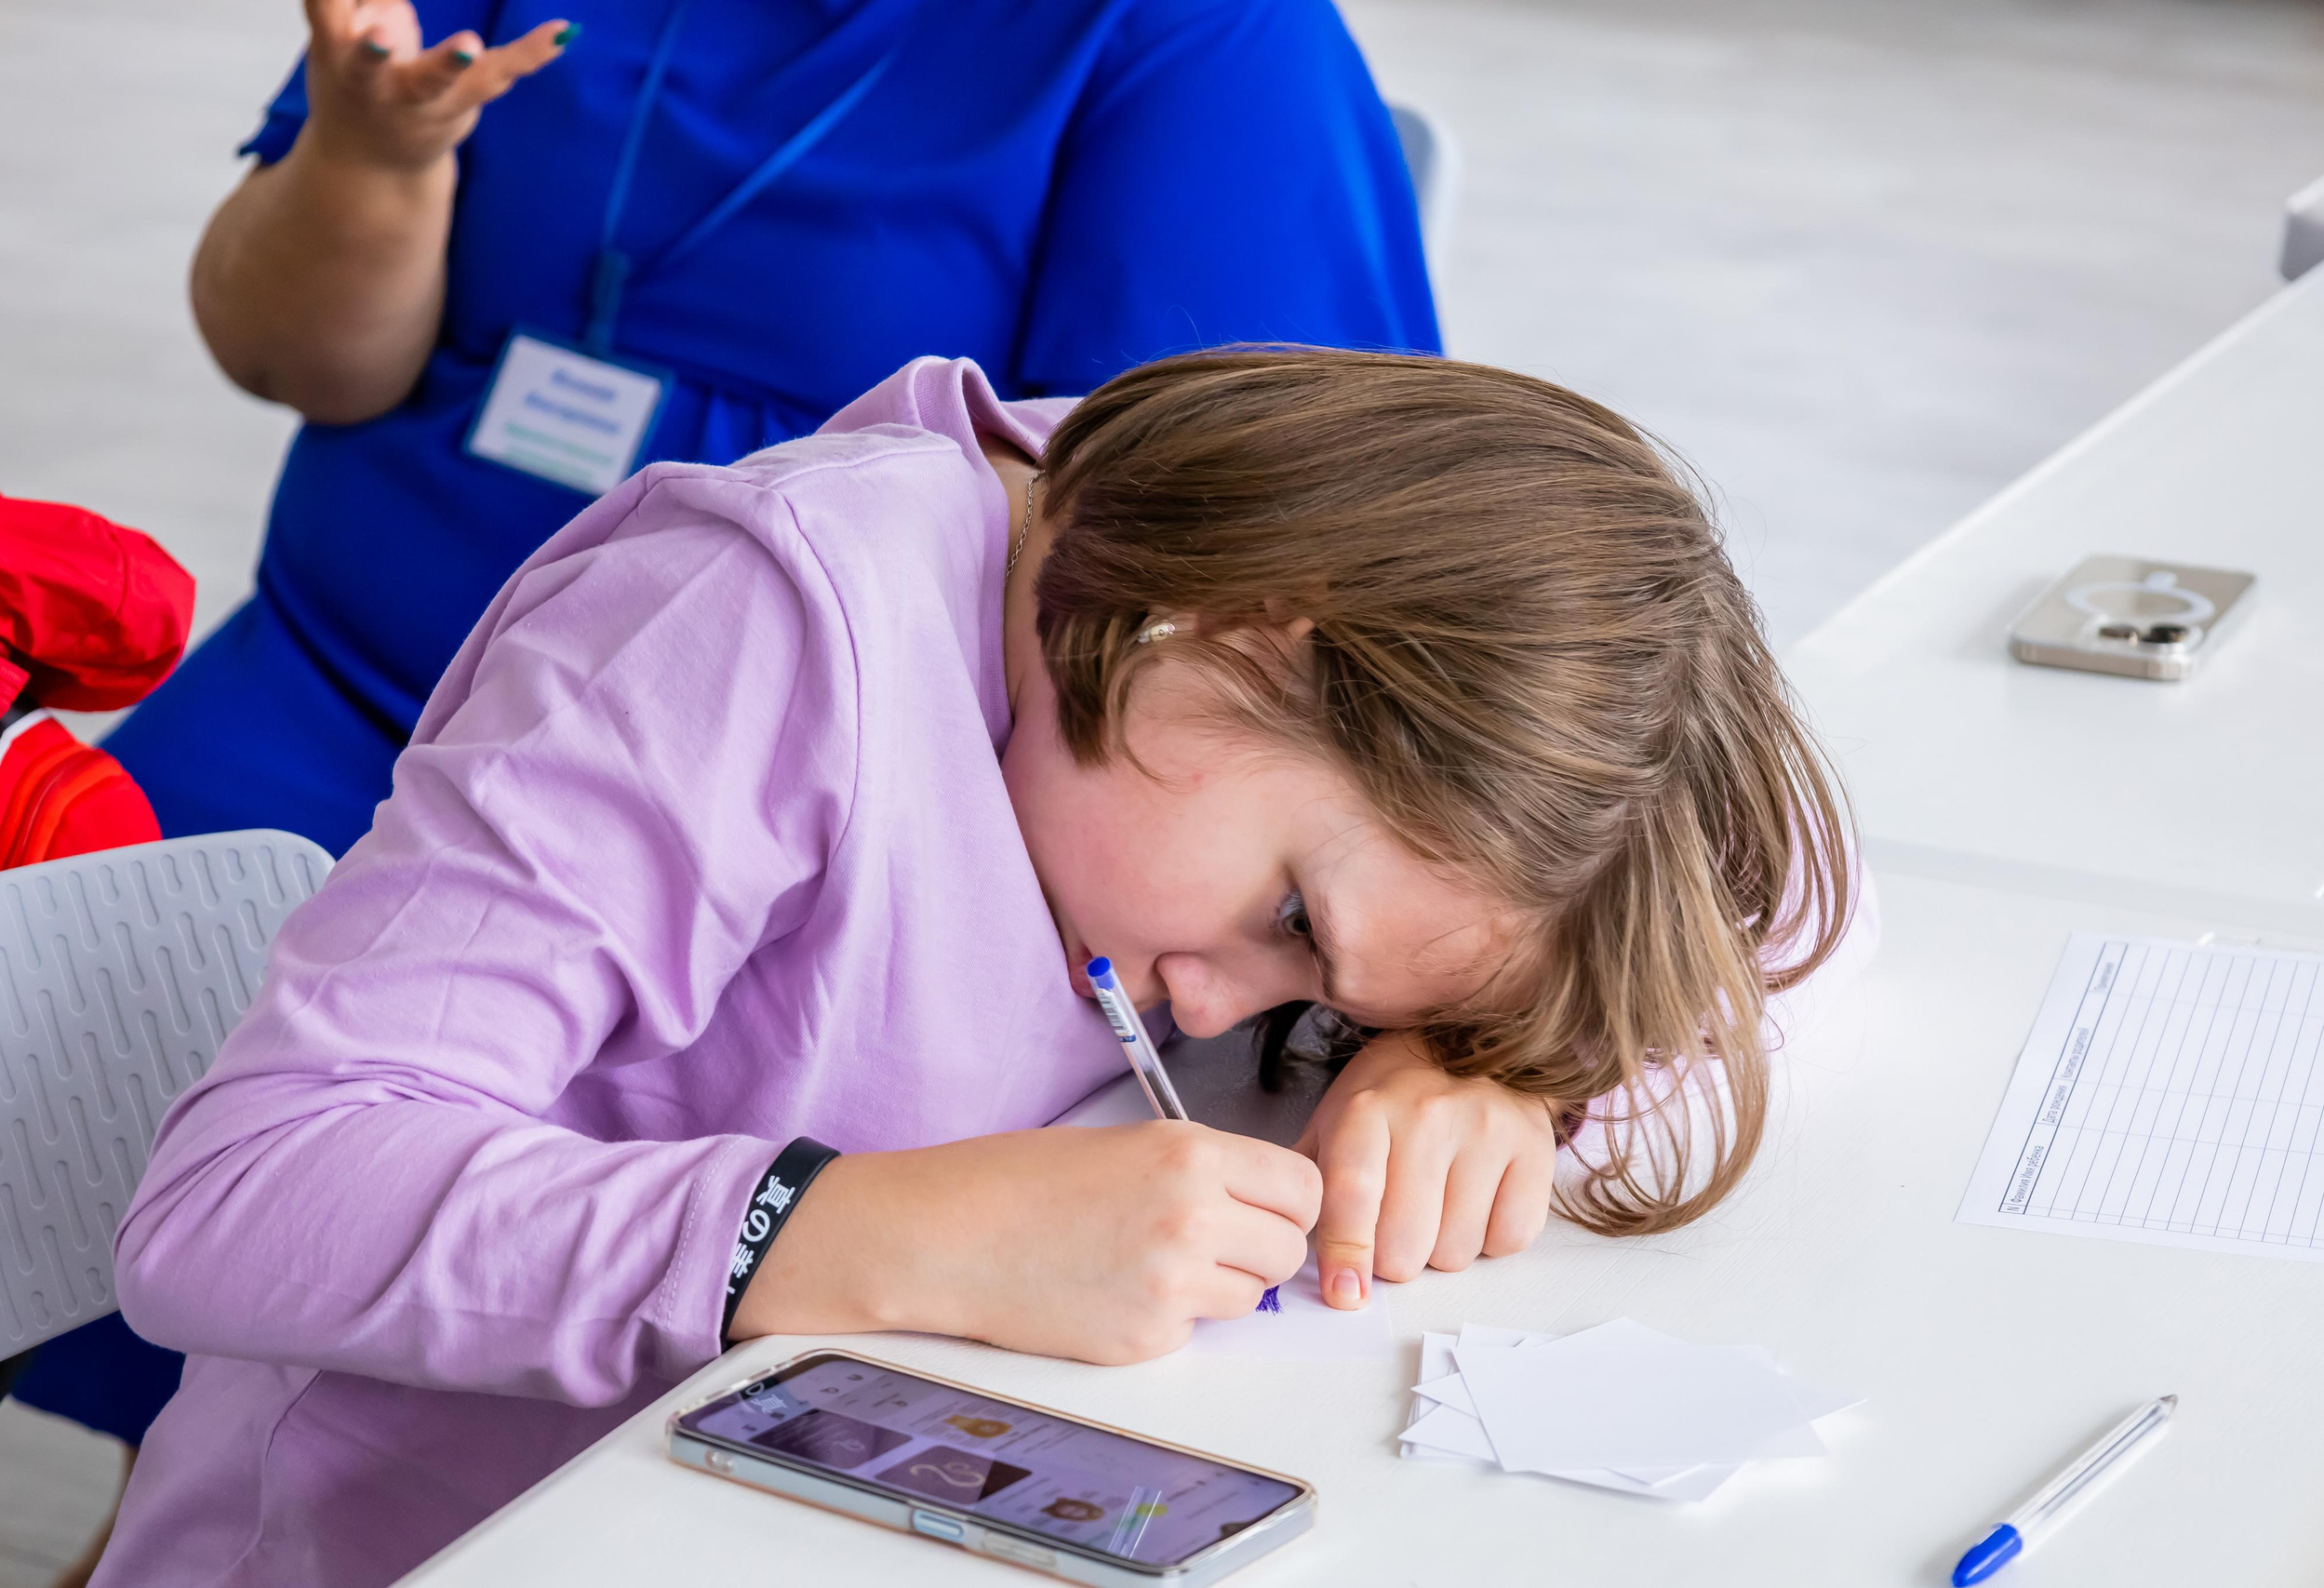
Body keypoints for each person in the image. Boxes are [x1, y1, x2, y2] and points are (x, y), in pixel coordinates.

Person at [98, 346, 1866, 1587]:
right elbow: (243, 1200)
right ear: (1246, 638)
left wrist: (1481, 1063)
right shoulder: (755, 622)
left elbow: (1747, 949)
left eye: (1336, 995)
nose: (1218, 1009)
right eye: (1297, 927)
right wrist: (852, 1232)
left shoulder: (1178, 661)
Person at [35, 0, 1439, 1481]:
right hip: (337, 687)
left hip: (792, 800)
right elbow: (302, 360)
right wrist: (373, 165)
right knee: (91, 1026)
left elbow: (1366, 655)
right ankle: (195, 1501)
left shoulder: (1204, 46)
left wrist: (1450, 1045)